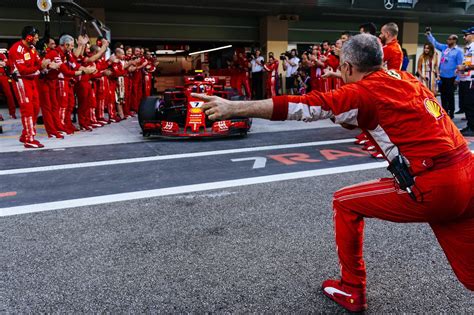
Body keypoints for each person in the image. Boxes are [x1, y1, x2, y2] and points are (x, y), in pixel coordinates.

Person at [191, 34, 474, 312]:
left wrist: (235, 107)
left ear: (348, 68)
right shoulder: (407, 79)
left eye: (342, 67)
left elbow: (304, 107)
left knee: (344, 202)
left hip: (436, 186)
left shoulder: (361, 92)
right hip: (468, 173)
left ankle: (353, 289)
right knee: (470, 277)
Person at [8, 26, 50, 148]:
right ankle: (29, 139)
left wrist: (47, 65)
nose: (37, 40)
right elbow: (22, 70)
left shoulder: (32, 49)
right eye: (36, 38)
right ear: (29, 37)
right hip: (21, 81)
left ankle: (26, 135)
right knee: (27, 109)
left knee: (36, 108)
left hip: (31, 81)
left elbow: (39, 62)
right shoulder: (16, 49)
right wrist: (40, 67)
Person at [426, 29, 464, 118]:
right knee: (443, 95)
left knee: (450, 95)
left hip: (452, 77)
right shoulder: (444, 48)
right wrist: (429, 34)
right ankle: (444, 111)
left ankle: (451, 112)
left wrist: (458, 78)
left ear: (454, 40)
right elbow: (435, 43)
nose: (447, 40)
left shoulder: (458, 51)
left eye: (449, 39)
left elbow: (460, 65)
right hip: (442, 76)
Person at [457, 26, 474, 136]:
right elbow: (468, 63)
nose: (464, 37)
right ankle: (470, 125)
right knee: (467, 104)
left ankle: (472, 128)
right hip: (465, 79)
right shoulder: (469, 48)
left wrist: (465, 68)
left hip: (471, 80)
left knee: (470, 104)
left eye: (466, 35)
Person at [0, 49, 17, 119]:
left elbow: (8, 63)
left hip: (3, 76)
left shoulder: (2, 54)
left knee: (9, 95)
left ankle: (12, 113)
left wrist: (3, 63)